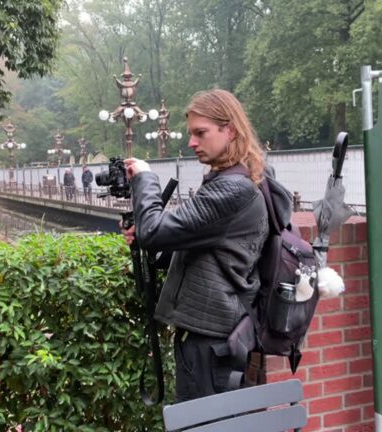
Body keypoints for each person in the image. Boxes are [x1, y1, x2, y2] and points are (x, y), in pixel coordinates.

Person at [122, 89, 293, 402]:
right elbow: (202, 247)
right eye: (191, 134)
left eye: (201, 133)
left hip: (212, 342)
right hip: (219, 335)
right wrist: (155, 239)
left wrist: (145, 179)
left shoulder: (233, 189)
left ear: (229, 130)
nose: (191, 143)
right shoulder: (241, 179)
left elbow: (154, 232)